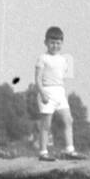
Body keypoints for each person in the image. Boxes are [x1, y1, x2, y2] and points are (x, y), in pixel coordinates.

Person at [35, 26, 81, 160]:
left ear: (62, 43)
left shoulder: (64, 59)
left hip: (60, 93)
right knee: (46, 124)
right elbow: (37, 78)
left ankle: (69, 150)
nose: (55, 45)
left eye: (58, 43)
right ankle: (43, 152)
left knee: (68, 120)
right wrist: (42, 92)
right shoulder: (42, 58)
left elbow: (62, 79)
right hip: (47, 92)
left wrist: (63, 94)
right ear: (46, 42)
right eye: (52, 42)